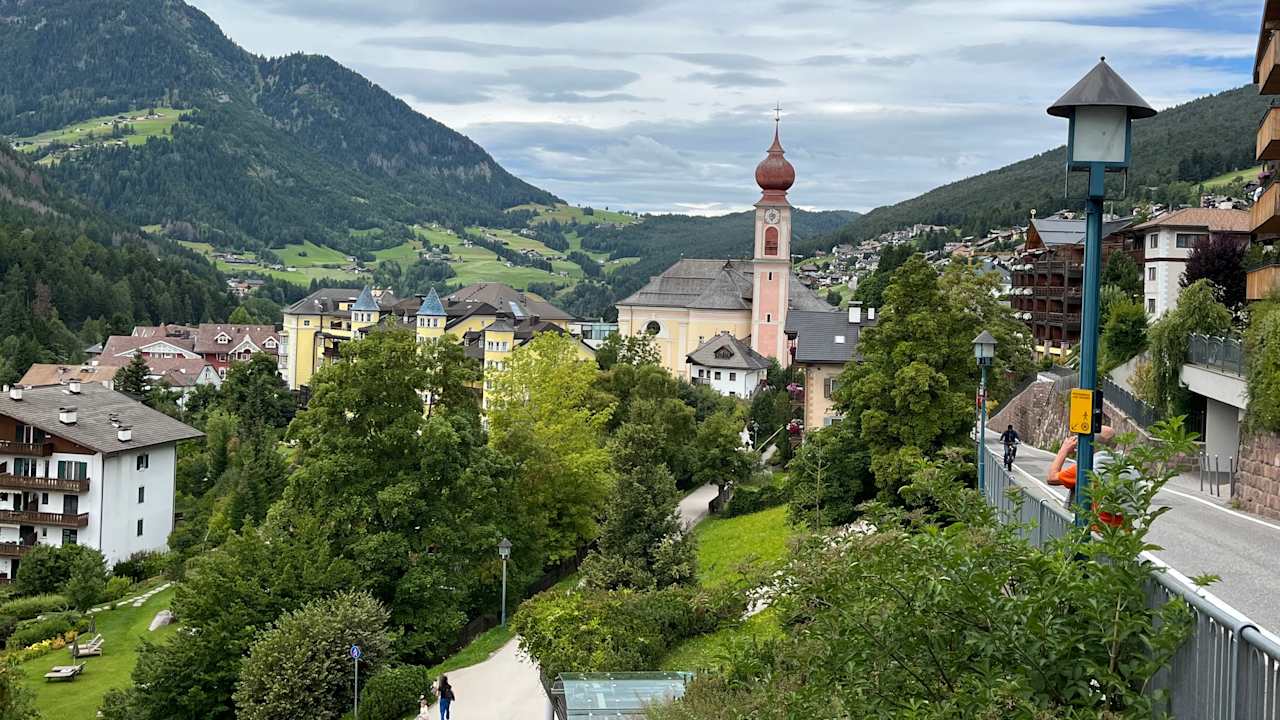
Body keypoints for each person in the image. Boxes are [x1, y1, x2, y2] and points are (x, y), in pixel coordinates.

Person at [1046, 426, 1125, 527]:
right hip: (1123, 532)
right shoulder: (1123, 465)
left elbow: (1052, 478)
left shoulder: (1088, 467)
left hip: (1095, 530)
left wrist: (1063, 450)